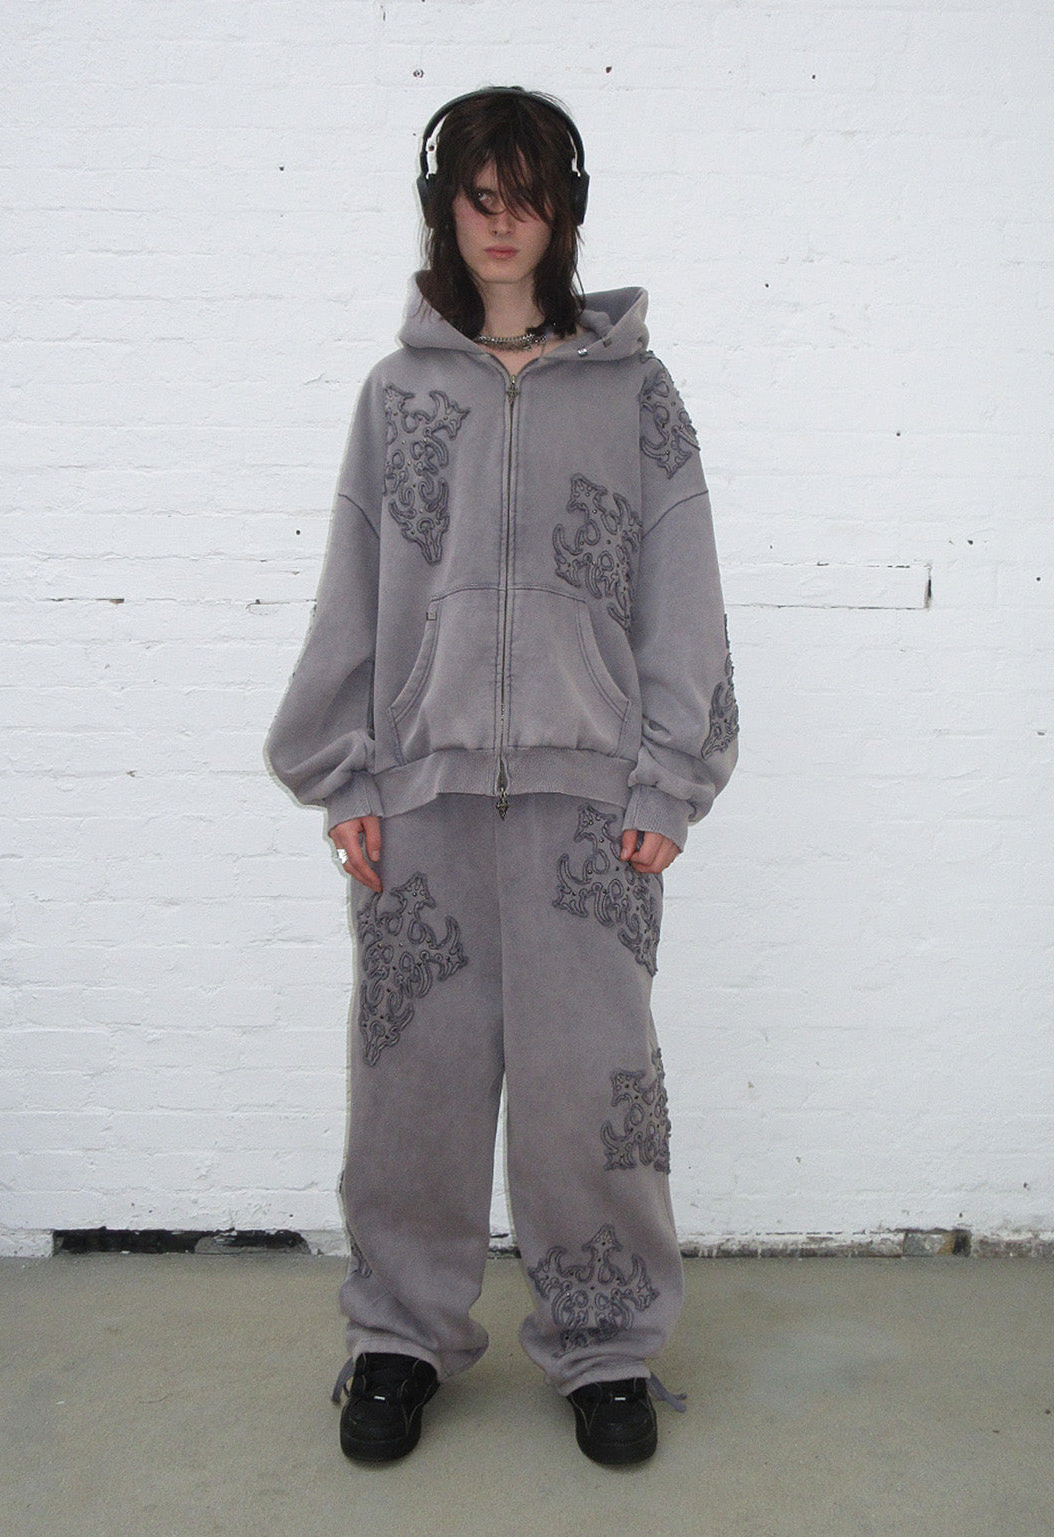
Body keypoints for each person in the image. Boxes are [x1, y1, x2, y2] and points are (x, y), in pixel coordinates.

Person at [264, 86, 738, 1467]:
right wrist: (347, 775)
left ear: (562, 213)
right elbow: (356, 590)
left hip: (594, 809)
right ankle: (399, 1337)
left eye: (525, 195)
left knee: (593, 1092)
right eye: (479, 195)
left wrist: (668, 781)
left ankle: (607, 1346)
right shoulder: (399, 392)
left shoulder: (637, 393)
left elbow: (686, 599)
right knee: (412, 1088)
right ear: (447, 209)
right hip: (423, 796)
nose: (501, 222)